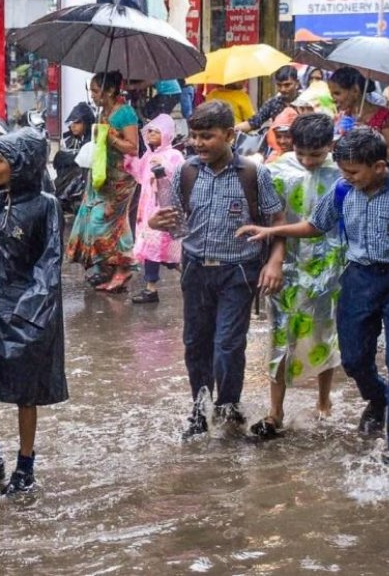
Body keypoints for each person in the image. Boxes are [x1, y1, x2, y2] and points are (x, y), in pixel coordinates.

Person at [238, 127, 389, 461]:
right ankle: (379, 398)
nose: (346, 178)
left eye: (353, 172)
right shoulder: (343, 189)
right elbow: (315, 225)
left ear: (378, 167)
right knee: (353, 358)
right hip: (359, 278)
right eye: (344, 172)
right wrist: (272, 231)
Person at [148, 101, 286, 439]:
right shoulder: (186, 172)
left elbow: (277, 220)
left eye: (207, 136)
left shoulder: (254, 174)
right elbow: (178, 225)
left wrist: (274, 261)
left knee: (227, 344)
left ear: (228, 135)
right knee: (196, 343)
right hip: (194, 269)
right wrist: (156, 222)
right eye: (194, 136)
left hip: (238, 271)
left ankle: (227, 405)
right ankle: (199, 407)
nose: (198, 143)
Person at [0, 128, 66, 495]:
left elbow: (49, 263)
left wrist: (30, 312)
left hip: (25, 315)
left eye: (0, 159)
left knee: (25, 392)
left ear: (21, 165)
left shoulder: (46, 206)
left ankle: (25, 465)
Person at [247, 113, 343, 439]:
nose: (307, 161)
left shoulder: (343, 173)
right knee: (280, 335)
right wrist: (272, 261)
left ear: (331, 146)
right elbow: (270, 218)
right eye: (302, 153)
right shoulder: (278, 170)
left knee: (324, 333)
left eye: (315, 155)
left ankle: (324, 400)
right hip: (286, 264)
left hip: (330, 266)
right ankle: (275, 412)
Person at [66, 70, 139, 293]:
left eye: (96, 91)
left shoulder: (125, 113)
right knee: (90, 219)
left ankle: (124, 267)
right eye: (91, 91)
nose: (93, 96)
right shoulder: (102, 113)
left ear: (110, 91)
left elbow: (133, 148)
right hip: (101, 177)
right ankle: (109, 269)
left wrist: (110, 137)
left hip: (120, 179)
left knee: (106, 222)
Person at [123, 114, 184, 304]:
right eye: (148, 131)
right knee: (155, 249)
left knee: (158, 248)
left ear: (166, 134)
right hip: (148, 209)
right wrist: (128, 159)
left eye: (155, 132)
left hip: (163, 208)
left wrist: (162, 169)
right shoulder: (149, 155)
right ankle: (156, 286)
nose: (150, 135)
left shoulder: (174, 155)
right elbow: (139, 173)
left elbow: (178, 177)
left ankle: (152, 288)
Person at [328, 67, 389, 168]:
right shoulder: (342, 116)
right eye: (331, 94)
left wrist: (369, 140)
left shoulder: (385, 117)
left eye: (337, 93)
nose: (333, 99)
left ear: (355, 91)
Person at [235, 65, 301, 134]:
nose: (283, 89)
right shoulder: (273, 103)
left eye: (287, 85)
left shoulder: (305, 102)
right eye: (279, 85)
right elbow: (254, 122)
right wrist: (233, 129)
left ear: (297, 83)